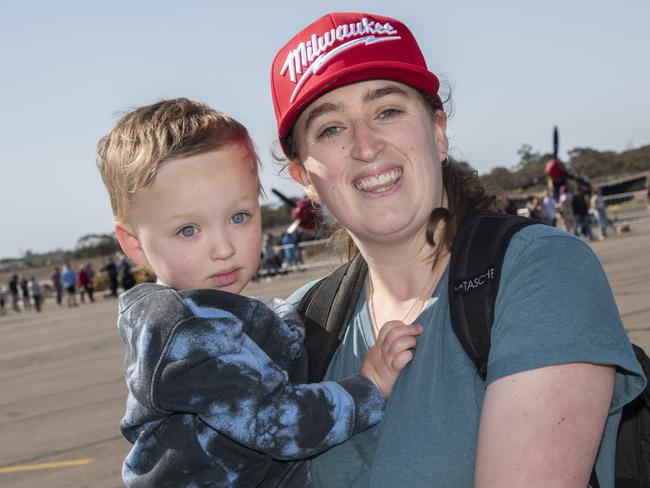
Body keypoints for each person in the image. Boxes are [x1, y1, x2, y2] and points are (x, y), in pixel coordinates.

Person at [271, 12, 646, 487]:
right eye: (330, 129)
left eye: (388, 110)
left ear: (438, 130)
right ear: (304, 176)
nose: (366, 146)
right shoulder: (297, 326)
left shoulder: (537, 272)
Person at [96, 97, 420, 487]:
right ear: (133, 244)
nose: (223, 248)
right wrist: (369, 386)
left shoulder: (206, 314)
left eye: (239, 217)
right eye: (188, 230)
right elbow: (279, 426)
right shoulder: (184, 332)